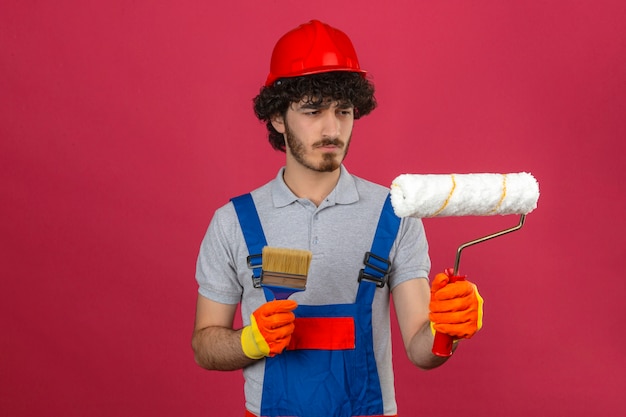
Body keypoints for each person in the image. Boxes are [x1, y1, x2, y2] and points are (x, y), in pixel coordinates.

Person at [192, 20, 483, 417]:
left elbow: (420, 349)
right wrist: (249, 342)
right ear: (278, 117)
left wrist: (446, 330)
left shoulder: (394, 213)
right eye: (313, 110)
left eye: (343, 111)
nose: (332, 129)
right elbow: (205, 345)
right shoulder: (233, 222)